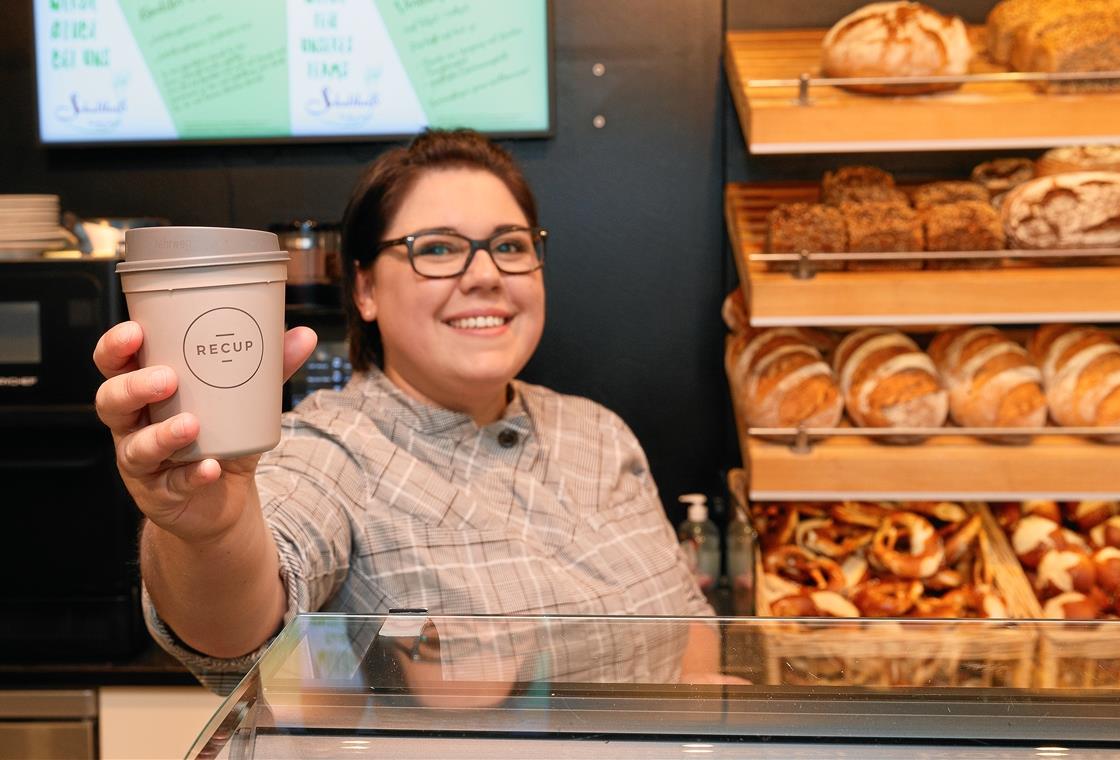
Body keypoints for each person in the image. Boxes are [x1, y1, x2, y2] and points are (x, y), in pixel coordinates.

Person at [92, 129, 727, 694]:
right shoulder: (328, 445)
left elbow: (689, 625)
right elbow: (233, 633)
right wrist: (209, 532)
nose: (485, 276)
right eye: (439, 249)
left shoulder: (598, 432)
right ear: (365, 288)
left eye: (509, 245)